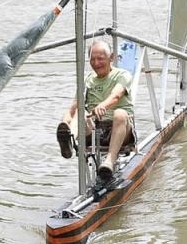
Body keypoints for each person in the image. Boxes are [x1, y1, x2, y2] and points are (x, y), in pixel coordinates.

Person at [56, 38, 134, 186]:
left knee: (120, 113)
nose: (96, 63)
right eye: (92, 60)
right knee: (81, 113)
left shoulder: (122, 75)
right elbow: (73, 108)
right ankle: (68, 140)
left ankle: (109, 162)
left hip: (120, 129)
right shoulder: (87, 81)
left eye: (100, 59)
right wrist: (65, 122)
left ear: (111, 58)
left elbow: (116, 96)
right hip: (95, 129)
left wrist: (102, 106)